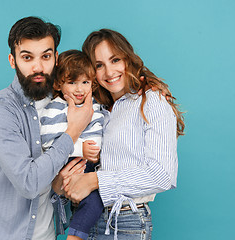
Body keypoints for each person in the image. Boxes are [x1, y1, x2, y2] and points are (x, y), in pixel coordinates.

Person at [0, 17, 93, 240]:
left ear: (56, 58)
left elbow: (110, 86)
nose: (38, 67)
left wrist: (150, 89)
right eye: (27, 57)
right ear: (12, 61)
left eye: (45, 56)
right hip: (0, 234)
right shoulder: (0, 110)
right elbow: (29, 183)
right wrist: (73, 131)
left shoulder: (66, 100)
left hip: (45, 233)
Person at [57, 29, 185, 240]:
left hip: (124, 223)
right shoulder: (96, 109)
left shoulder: (151, 100)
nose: (109, 72)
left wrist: (95, 180)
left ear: (128, 59)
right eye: (99, 65)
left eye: (115, 60)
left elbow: (162, 174)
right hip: (83, 219)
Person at [40, 50, 105, 240]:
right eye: (72, 82)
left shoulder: (93, 104)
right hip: (67, 163)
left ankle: (75, 235)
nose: (79, 89)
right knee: (93, 202)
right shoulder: (55, 107)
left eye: (85, 82)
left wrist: (95, 152)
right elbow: (49, 142)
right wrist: (80, 149)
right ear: (58, 84)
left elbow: (98, 128)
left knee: (95, 201)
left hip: (90, 164)